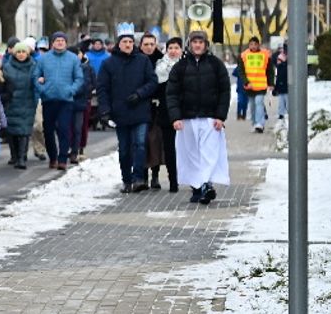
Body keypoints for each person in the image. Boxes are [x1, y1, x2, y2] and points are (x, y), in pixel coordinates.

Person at [166, 30, 231, 205]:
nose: (197, 45)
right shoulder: (180, 67)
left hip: (210, 117)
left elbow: (224, 91)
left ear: (205, 45)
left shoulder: (215, 65)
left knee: (209, 153)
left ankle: (206, 185)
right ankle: (197, 187)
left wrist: (220, 116)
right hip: (187, 118)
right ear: (189, 44)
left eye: (200, 42)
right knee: (192, 154)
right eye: (194, 42)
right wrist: (175, 117)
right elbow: (172, 93)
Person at [96, 31, 158, 193]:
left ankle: (138, 178)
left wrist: (139, 94)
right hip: (120, 112)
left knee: (140, 145)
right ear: (119, 44)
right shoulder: (108, 63)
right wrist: (105, 111)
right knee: (124, 149)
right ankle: (126, 180)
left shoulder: (143, 60)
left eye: (130, 42)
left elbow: (152, 82)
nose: (128, 44)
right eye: (125, 42)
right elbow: (102, 89)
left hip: (140, 110)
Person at [35, 30, 83, 170]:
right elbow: (35, 76)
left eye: (62, 40)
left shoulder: (73, 59)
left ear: (66, 43)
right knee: (48, 130)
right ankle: (53, 157)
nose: (60, 43)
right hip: (48, 99)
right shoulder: (43, 59)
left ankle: (62, 159)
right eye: (57, 40)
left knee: (64, 129)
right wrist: (42, 89)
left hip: (66, 100)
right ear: (52, 43)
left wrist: (71, 90)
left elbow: (79, 78)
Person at [148, 36, 183, 192]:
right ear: (166, 50)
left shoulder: (187, 66)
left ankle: (192, 180)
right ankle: (173, 181)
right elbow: (155, 89)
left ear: (181, 50)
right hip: (165, 112)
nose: (173, 51)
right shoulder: (159, 67)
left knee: (186, 149)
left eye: (176, 48)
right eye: (170, 48)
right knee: (169, 149)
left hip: (185, 113)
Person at [1, 39, 39, 169]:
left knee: (24, 131)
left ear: (28, 53)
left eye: (24, 52)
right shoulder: (7, 67)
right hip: (11, 103)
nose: (21, 54)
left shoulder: (33, 66)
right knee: (12, 131)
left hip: (27, 102)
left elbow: (36, 84)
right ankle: (14, 156)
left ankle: (22, 158)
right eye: (19, 52)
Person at [239, 39, 271, 133]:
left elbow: (270, 70)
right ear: (249, 45)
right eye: (251, 44)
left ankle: (260, 124)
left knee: (259, 103)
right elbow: (241, 71)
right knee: (252, 106)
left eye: (255, 44)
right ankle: (254, 123)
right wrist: (246, 82)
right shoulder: (244, 55)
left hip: (261, 85)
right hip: (250, 86)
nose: (253, 46)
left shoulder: (265, 55)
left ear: (258, 45)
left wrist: (271, 83)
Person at [271, 43, 290, 121]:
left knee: (286, 100)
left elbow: (279, 76)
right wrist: (276, 88)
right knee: (282, 100)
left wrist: (276, 88)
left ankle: (285, 113)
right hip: (283, 84)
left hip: (285, 84)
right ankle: (282, 113)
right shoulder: (281, 59)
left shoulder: (284, 60)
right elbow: (278, 76)